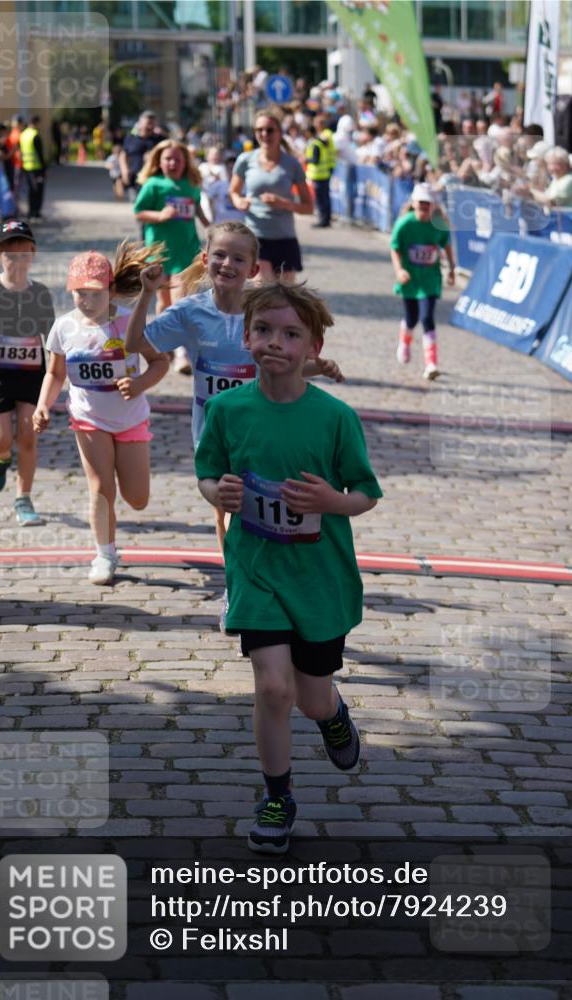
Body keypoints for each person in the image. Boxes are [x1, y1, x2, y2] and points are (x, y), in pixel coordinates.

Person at [194, 281, 382, 853]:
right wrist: (217, 492)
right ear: (247, 336)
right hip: (256, 571)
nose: (276, 342)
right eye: (265, 330)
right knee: (274, 688)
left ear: (313, 346)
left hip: (319, 579)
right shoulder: (227, 410)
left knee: (310, 696)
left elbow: (366, 492)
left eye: (292, 333)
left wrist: (331, 502)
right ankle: (278, 796)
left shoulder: (334, 417)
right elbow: (208, 473)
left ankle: (332, 716)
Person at [124, 221, 344, 627]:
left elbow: (281, 362)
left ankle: (269, 584)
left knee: (262, 508)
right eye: (220, 255)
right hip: (213, 434)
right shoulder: (191, 312)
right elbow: (136, 343)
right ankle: (237, 586)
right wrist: (148, 294)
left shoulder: (262, 311)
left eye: (239, 258)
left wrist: (318, 367)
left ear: (252, 268)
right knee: (227, 513)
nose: (228, 264)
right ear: (206, 259)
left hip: (264, 429)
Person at [32, 245, 169, 584]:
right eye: (79, 292)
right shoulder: (64, 327)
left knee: (137, 499)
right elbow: (55, 373)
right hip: (88, 417)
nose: (85, 300)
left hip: (131, 417)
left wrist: (138, 385)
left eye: (94, 293)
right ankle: (104, 555)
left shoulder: (129, 324)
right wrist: (43, 405)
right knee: (101, 486)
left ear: (110, 290)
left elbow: (160, 362)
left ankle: (112, 539)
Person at [0, 220, 55, 525]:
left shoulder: (40, 293)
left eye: (23, 251)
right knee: (2, 440)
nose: (16, 258)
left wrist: (57, 374)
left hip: (32, 377)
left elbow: (52, 339)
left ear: (33, 253)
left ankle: (23, 499)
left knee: (28, 437)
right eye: (9, 252)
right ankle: (0, 458)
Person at [230, 106, 313, 283]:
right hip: (256, 234)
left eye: (269, 130)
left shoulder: (291, 164)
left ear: (279, 133)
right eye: (259, 130)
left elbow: (308, 207)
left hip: (285, 236)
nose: (264, 134)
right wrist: (239, 201)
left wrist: (284, 203)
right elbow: (234, 191)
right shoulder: (245, 160)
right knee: (261, 286)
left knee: (285, 295)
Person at [134, 140, 209, 315]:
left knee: (181, 298)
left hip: (186, 248)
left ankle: (179, 339)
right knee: (164, 300)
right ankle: (162, 336)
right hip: (160, 251)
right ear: (159, 161)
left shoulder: (191, 184)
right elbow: (139, 211)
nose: (173, 163)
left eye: (178, 159)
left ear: (186, 162)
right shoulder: (153, 184)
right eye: (168, 159)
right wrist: (160, 216)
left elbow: (197, 207)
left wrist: (209, 227)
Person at [390, 182, 455, 381]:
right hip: (410, 279)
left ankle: (431, 364)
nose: (424, 207)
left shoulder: (439, 225)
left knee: (427, 318)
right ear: (413, 203)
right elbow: (395, 247)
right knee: (412, 318)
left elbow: (446, 246)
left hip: (429, 279)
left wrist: (451, 269)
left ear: (433, 205)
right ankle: (405, 342)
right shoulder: (404, 224)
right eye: (420, 203)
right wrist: (399, 270)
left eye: (427, 203)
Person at [119, 110, 162, 202]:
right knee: (138, 205)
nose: (150, 126)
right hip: (134, 180)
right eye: (148, 123)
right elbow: (123, 155)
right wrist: (124, 170)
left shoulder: (160, 140)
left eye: (152, 123)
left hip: (153, 180)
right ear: (140, 123)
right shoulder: (130, 138)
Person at [19, 115, 46, 220]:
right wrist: (44, 169)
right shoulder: (35, 135)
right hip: (37, 168)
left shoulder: (23, 134)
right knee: (38, 191)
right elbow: (40, 154)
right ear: (36, 123)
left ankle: (31, 211)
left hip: (26, 167)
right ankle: (36, 212)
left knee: (31, 191)